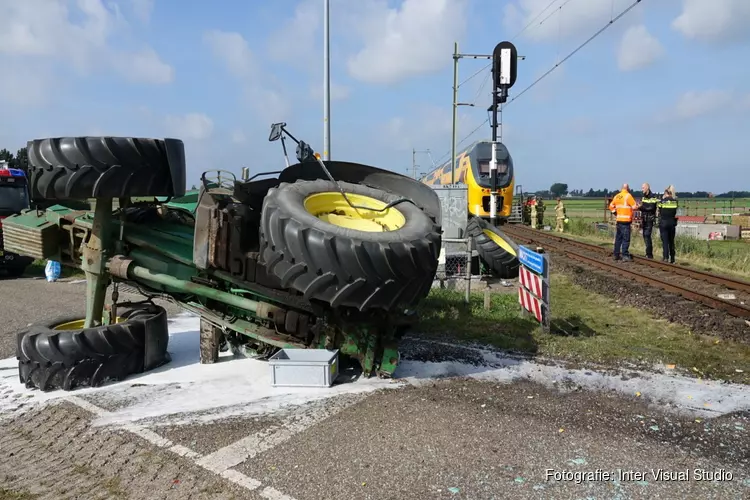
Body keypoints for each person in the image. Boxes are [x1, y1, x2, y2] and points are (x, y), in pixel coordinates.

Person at [608, 183, 637, 261]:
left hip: (619, 220)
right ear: (627, 188)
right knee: (626, 239)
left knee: (618, 238)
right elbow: (634, 206)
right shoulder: (628, 196)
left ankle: (616, 254)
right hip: (626, 221)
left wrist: (615, 213)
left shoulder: (617, 196)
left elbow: (610, 206)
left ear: (622, 188)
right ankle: (625, 255)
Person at [637, 183, 660, 259]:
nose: (642, 189)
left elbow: (651, 208)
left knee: (647, 235)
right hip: (644, 218)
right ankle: (648, 253)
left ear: (647, 188)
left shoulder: (653, 196)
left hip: (650, 219)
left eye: (643, 187)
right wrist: (640, 206)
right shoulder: (643, 197)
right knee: (644, 235)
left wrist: (641, 208)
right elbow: (643, 205)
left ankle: (649, 254)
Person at [657, 185, 679, 263]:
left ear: (666, 193)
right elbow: (675, 211)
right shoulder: (675, 202)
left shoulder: (662, 201)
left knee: (665, 241)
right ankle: (672, 258)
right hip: (672, 223)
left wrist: (662, 199)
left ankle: (665, 257)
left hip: (664, 223)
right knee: (671, 241)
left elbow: (659, 210)